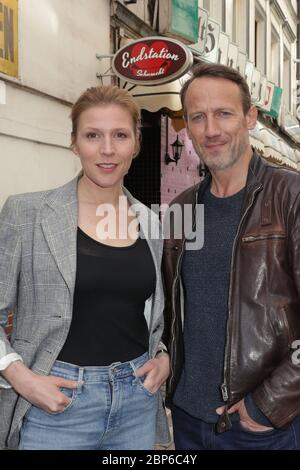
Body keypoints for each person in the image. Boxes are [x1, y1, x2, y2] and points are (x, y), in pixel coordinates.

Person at [0, 85, 170, 450]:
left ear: (136, 143)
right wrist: (21, 378)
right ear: (74, 143)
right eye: (93, 135)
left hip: (136, 401)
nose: (107, 149)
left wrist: (164, 356)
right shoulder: (25, 214)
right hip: (54, 404)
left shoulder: (152, 223)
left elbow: (154, 313)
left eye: (120, 135)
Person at [162, 63, 300, 450]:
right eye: (198, 117)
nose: (212, 130)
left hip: (265, 426)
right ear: (187, 126)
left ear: (250, 117)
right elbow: (172, 312)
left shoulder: (291, 196)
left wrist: (266, 405)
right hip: (189, 420)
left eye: (224, 113)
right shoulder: (182, 208)